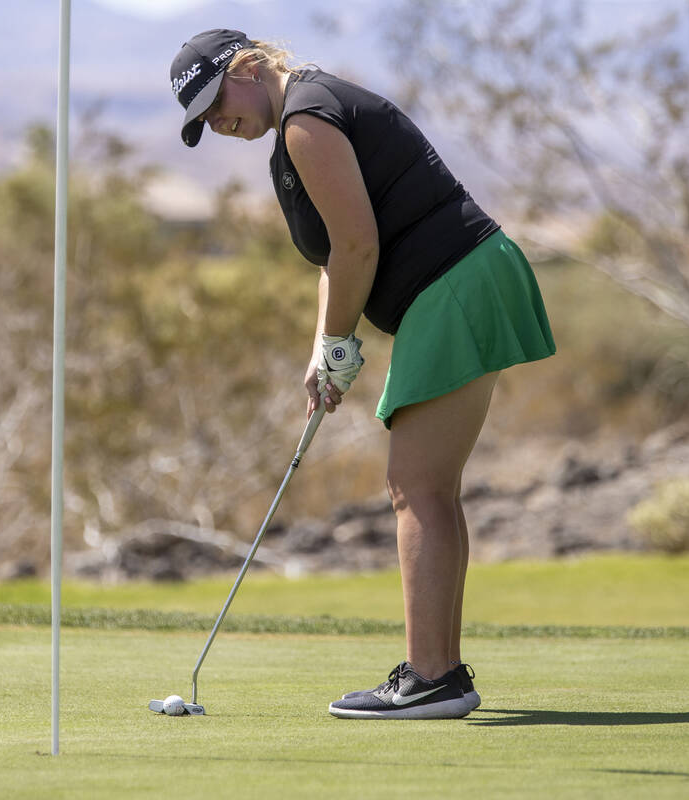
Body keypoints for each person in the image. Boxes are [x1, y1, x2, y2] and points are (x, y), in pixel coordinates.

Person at [169, 29, 555, 719]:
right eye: (201, 120)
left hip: (454, 282)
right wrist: (325, 346)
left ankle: (432, 677)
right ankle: (441, 674)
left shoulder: (306, 121)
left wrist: (344, 338)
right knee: (431, 488)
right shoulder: (302, 118)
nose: (216, 123)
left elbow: (358, 244)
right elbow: (334, 258)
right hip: (466, 278)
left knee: (416, 489)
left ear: (249, 66)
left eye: (215, 101)